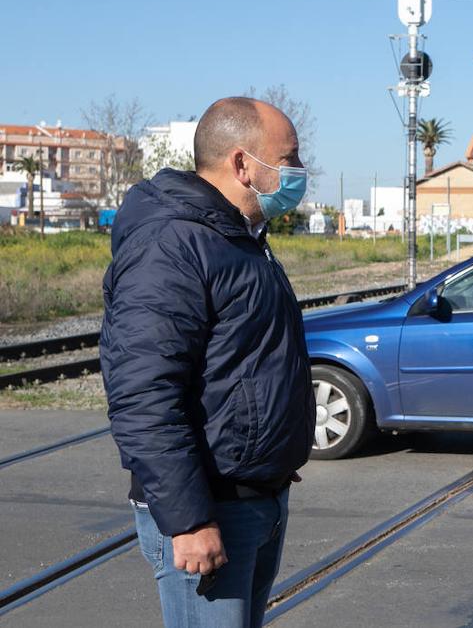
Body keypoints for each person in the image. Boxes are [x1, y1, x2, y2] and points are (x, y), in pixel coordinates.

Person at [101, 97, 315, 628]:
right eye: (289, 158)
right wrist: (190, 520)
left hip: (256, 496)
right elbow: (143, 396)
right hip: (209, 507)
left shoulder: (240, 240)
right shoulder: (172, 243)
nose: (299, 170)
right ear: (243, 164)